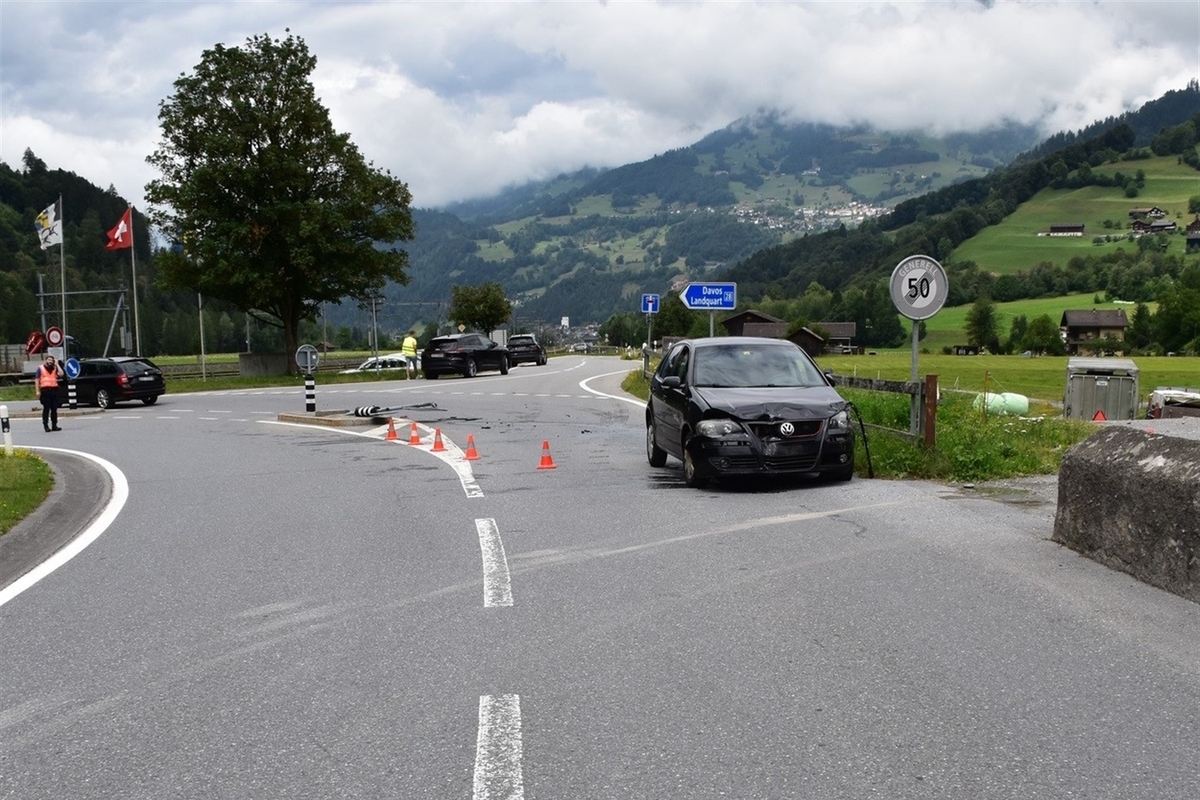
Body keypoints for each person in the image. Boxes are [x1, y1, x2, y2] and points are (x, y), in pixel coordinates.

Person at [35, 354, 65, 432]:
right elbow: (37, 380)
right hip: (45, 391)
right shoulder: (40, 368)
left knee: (54, 409)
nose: (50, 361)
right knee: (46, 409)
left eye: (52, 360)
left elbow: (61, 374)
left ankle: (54, 425)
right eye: (49, 360)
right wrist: (37, 391)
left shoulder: (55, 368)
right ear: (46, 360)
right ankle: (46, 425)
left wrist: (57, 364)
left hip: (54, 390)